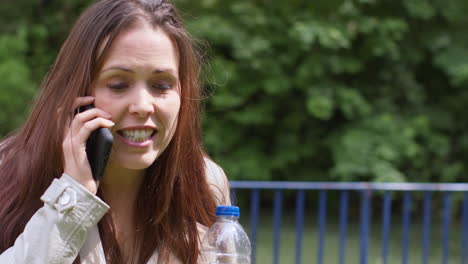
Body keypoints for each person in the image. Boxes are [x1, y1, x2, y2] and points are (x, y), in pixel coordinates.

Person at [0, 0, 231, 263]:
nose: (143, 106)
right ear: (79, 92)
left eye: (161, 85)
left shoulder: (206, 182)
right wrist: (72, 199)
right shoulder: (7, 172)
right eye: (119, 84)